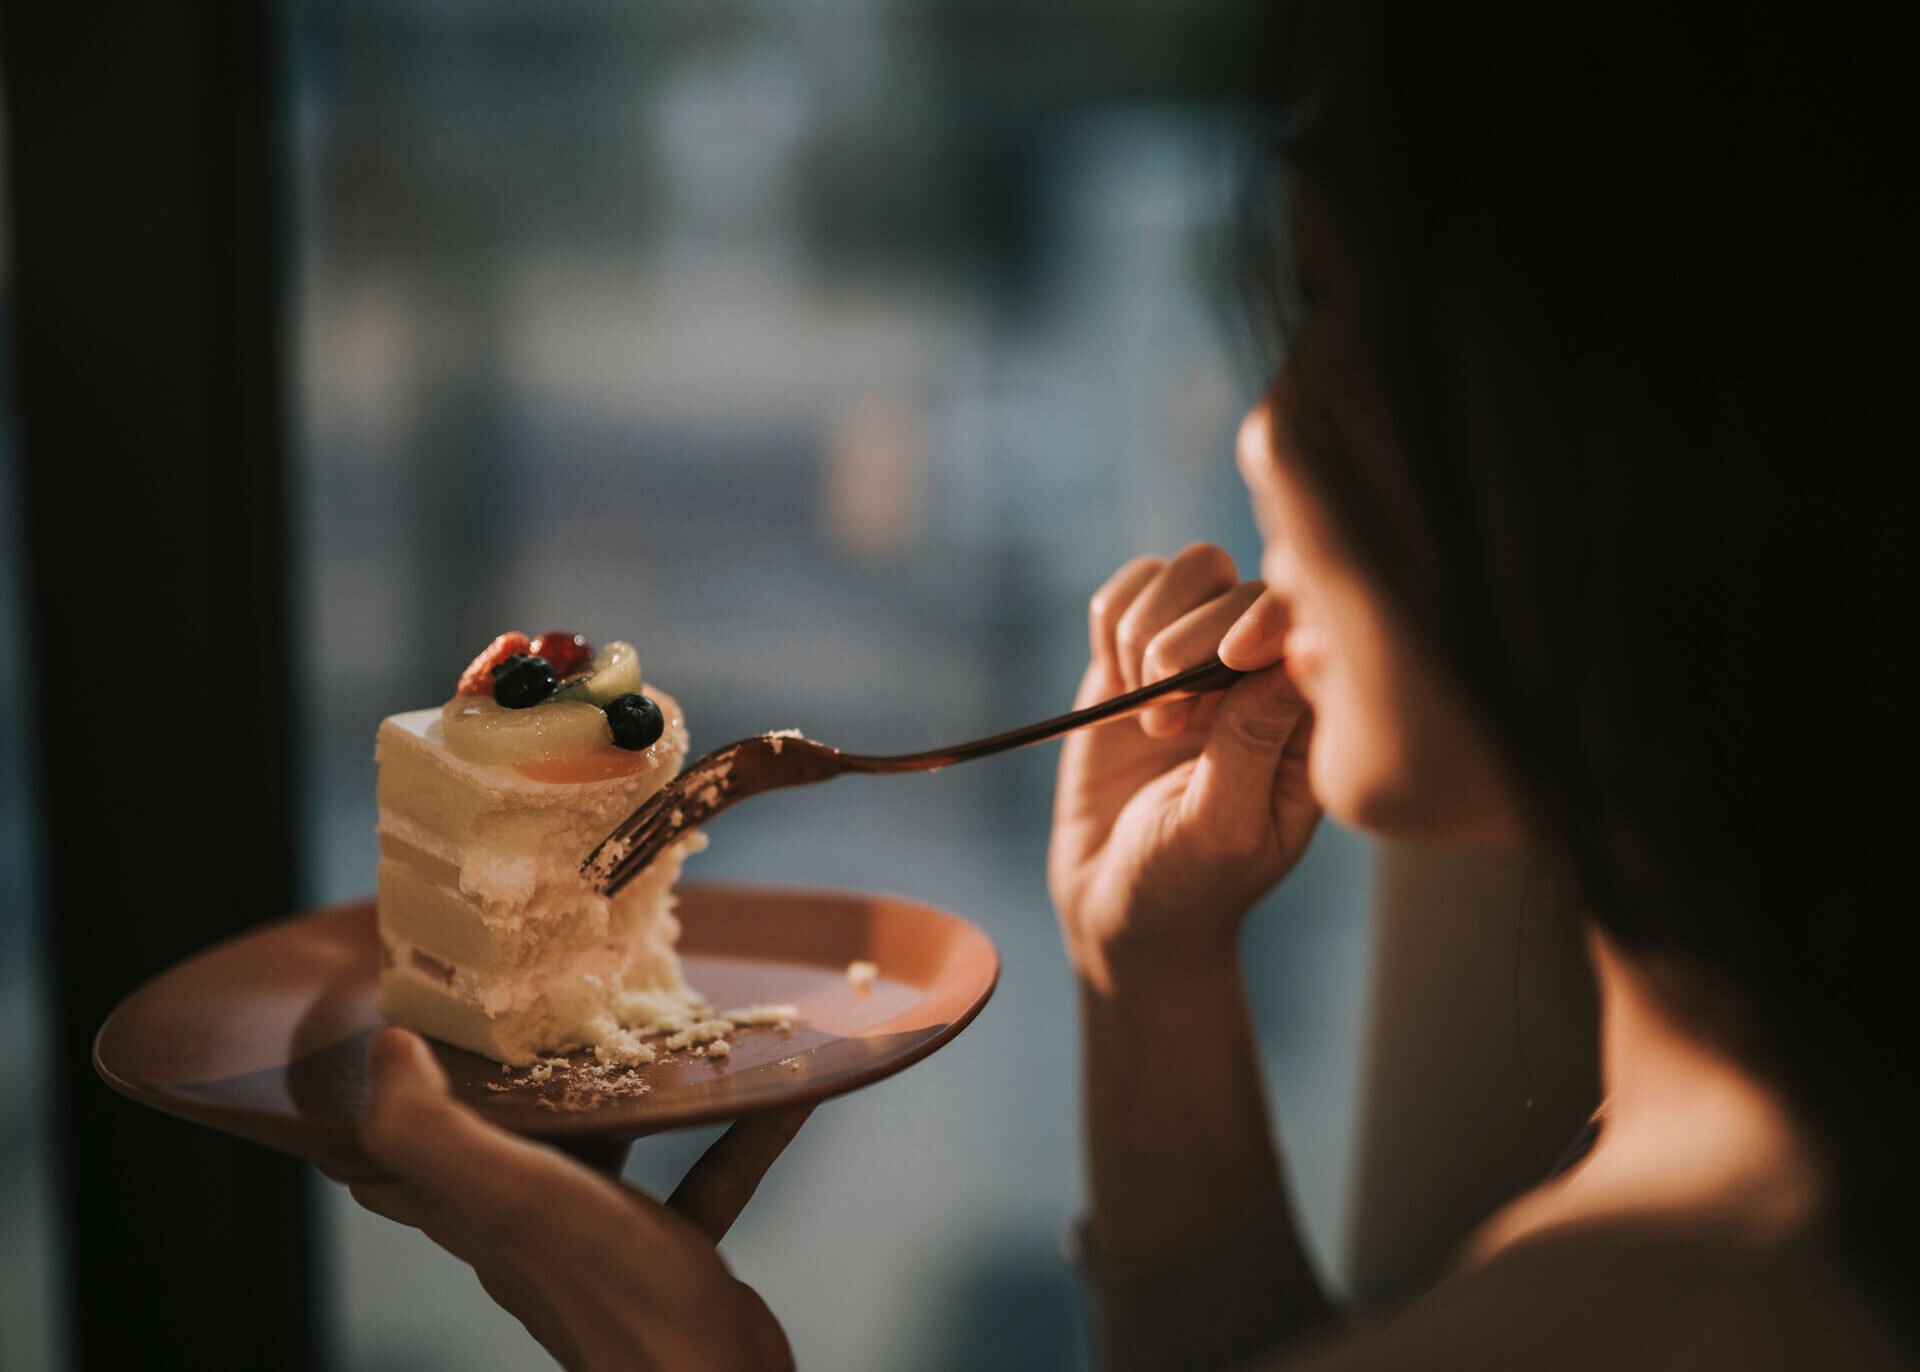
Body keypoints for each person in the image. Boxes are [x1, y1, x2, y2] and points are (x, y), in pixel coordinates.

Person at [344, 4, 1916, 1367]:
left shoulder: (1700, 1300)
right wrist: (1148, 966)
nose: (1263, 432)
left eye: (1334, 304)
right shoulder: (1776, 1128)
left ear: (1659, 393)